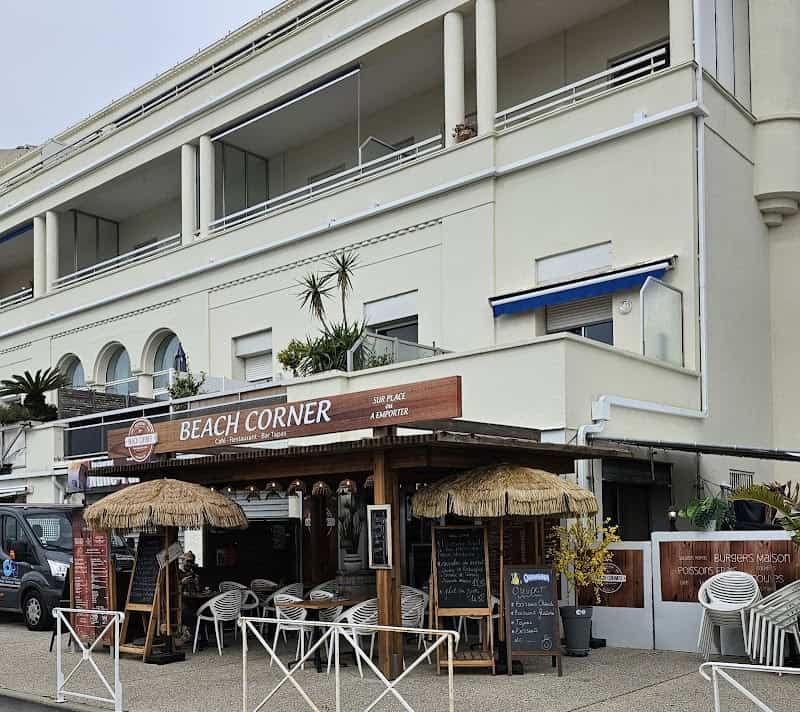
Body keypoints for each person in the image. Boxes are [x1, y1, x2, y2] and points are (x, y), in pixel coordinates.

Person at [179, 551, 206, 649]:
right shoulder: (177, 573)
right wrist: (181, 583)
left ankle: (201, 640)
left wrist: (197, 582)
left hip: (192, 602)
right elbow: (172, 591)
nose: (190, 564)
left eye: (192, 562)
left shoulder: (193, 573)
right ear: (183, 561)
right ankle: (195, 640)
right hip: (180, 604)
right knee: (194, 616)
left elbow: (198, 591)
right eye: (188, 561)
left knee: (203, 613)